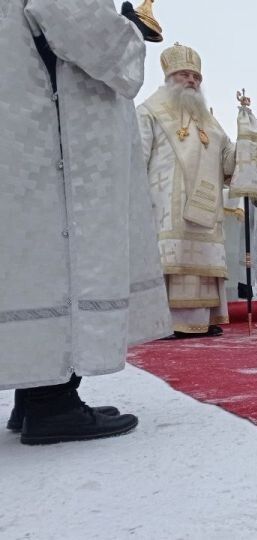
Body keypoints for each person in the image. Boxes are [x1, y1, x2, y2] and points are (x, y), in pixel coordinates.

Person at [2, 0, 170, 444]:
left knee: (33, 258)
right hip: (56, 137)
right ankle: (52, 403)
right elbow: (77, 23)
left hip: (24, 123)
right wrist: (129, 31)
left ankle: (36, 387)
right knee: (65, 255)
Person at [138, 43, 239, 338]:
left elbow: (228, 162)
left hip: (206, 205)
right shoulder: (149, 111)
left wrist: (246, 141)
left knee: (202, 260)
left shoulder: (209, 120)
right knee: (173, 258)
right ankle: (165, 322)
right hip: (165, 204)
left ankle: (203, 319)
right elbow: (137, 157)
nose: (192, 81)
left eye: (196, 76)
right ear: (170, 77)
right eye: (184, 74)